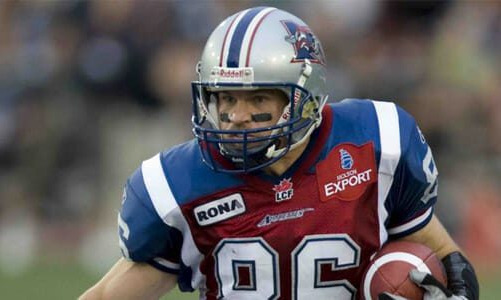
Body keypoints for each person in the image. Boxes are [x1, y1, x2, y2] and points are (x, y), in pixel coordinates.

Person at [79, 6, 479, 300]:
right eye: (225, 99)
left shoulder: (376, 145)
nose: (236, 117)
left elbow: (446, 259)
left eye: (258, 99)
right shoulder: (180, 184)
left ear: (307, 96)